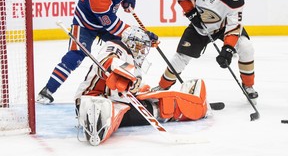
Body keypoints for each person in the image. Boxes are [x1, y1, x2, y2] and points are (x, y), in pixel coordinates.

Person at [37, 0, 157, 104]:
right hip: (84, 25)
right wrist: (142, 34)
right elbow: (114, 27)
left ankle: (131, 85)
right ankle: (48, 90)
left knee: (129, 48)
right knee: (75, 56)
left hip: (105, 24)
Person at [75, 26, 208, 146]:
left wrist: (140, 88)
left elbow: (129, 87)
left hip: (114, 100)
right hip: (90, 97)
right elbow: (107, 62)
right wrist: (123, 75)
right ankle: (96, 114)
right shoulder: (116, 46)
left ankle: (195, 103)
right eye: (140, 46)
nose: (143, 51)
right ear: (131, 43)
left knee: (160, 103)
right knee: (118, 109)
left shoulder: (132, 61)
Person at [154, 0, 258, 103]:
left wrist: (227, 49)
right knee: (181, 57)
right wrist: (190, 12)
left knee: (246, 47)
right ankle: (162, 87)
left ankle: (248, 86)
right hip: (199, 27)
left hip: (222, 27)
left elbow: (233, 28)